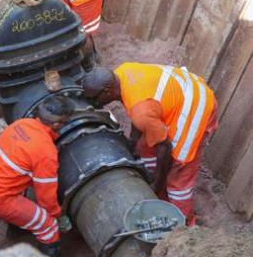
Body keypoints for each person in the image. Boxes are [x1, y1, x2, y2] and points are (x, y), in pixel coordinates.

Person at [82, 63, 218, 225]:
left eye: (94, 98)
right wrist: (132, 143)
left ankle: (184, 224)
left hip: (195, 105)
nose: (94, 102)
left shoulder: (142, 111)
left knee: (178, 171)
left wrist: (158, 184)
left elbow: (164, 147)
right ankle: (156, 182)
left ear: (107, 91)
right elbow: (138, 114)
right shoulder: (122, 73)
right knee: (143, 146)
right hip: (180, 92)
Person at [0, 95, 74, 257]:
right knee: (48, 225)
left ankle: (16, 228)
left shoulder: (21, 124)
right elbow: (46, 197)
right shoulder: (45, 151)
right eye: (66, 121)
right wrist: (58, 214)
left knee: (23, 194)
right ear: (57, 124)